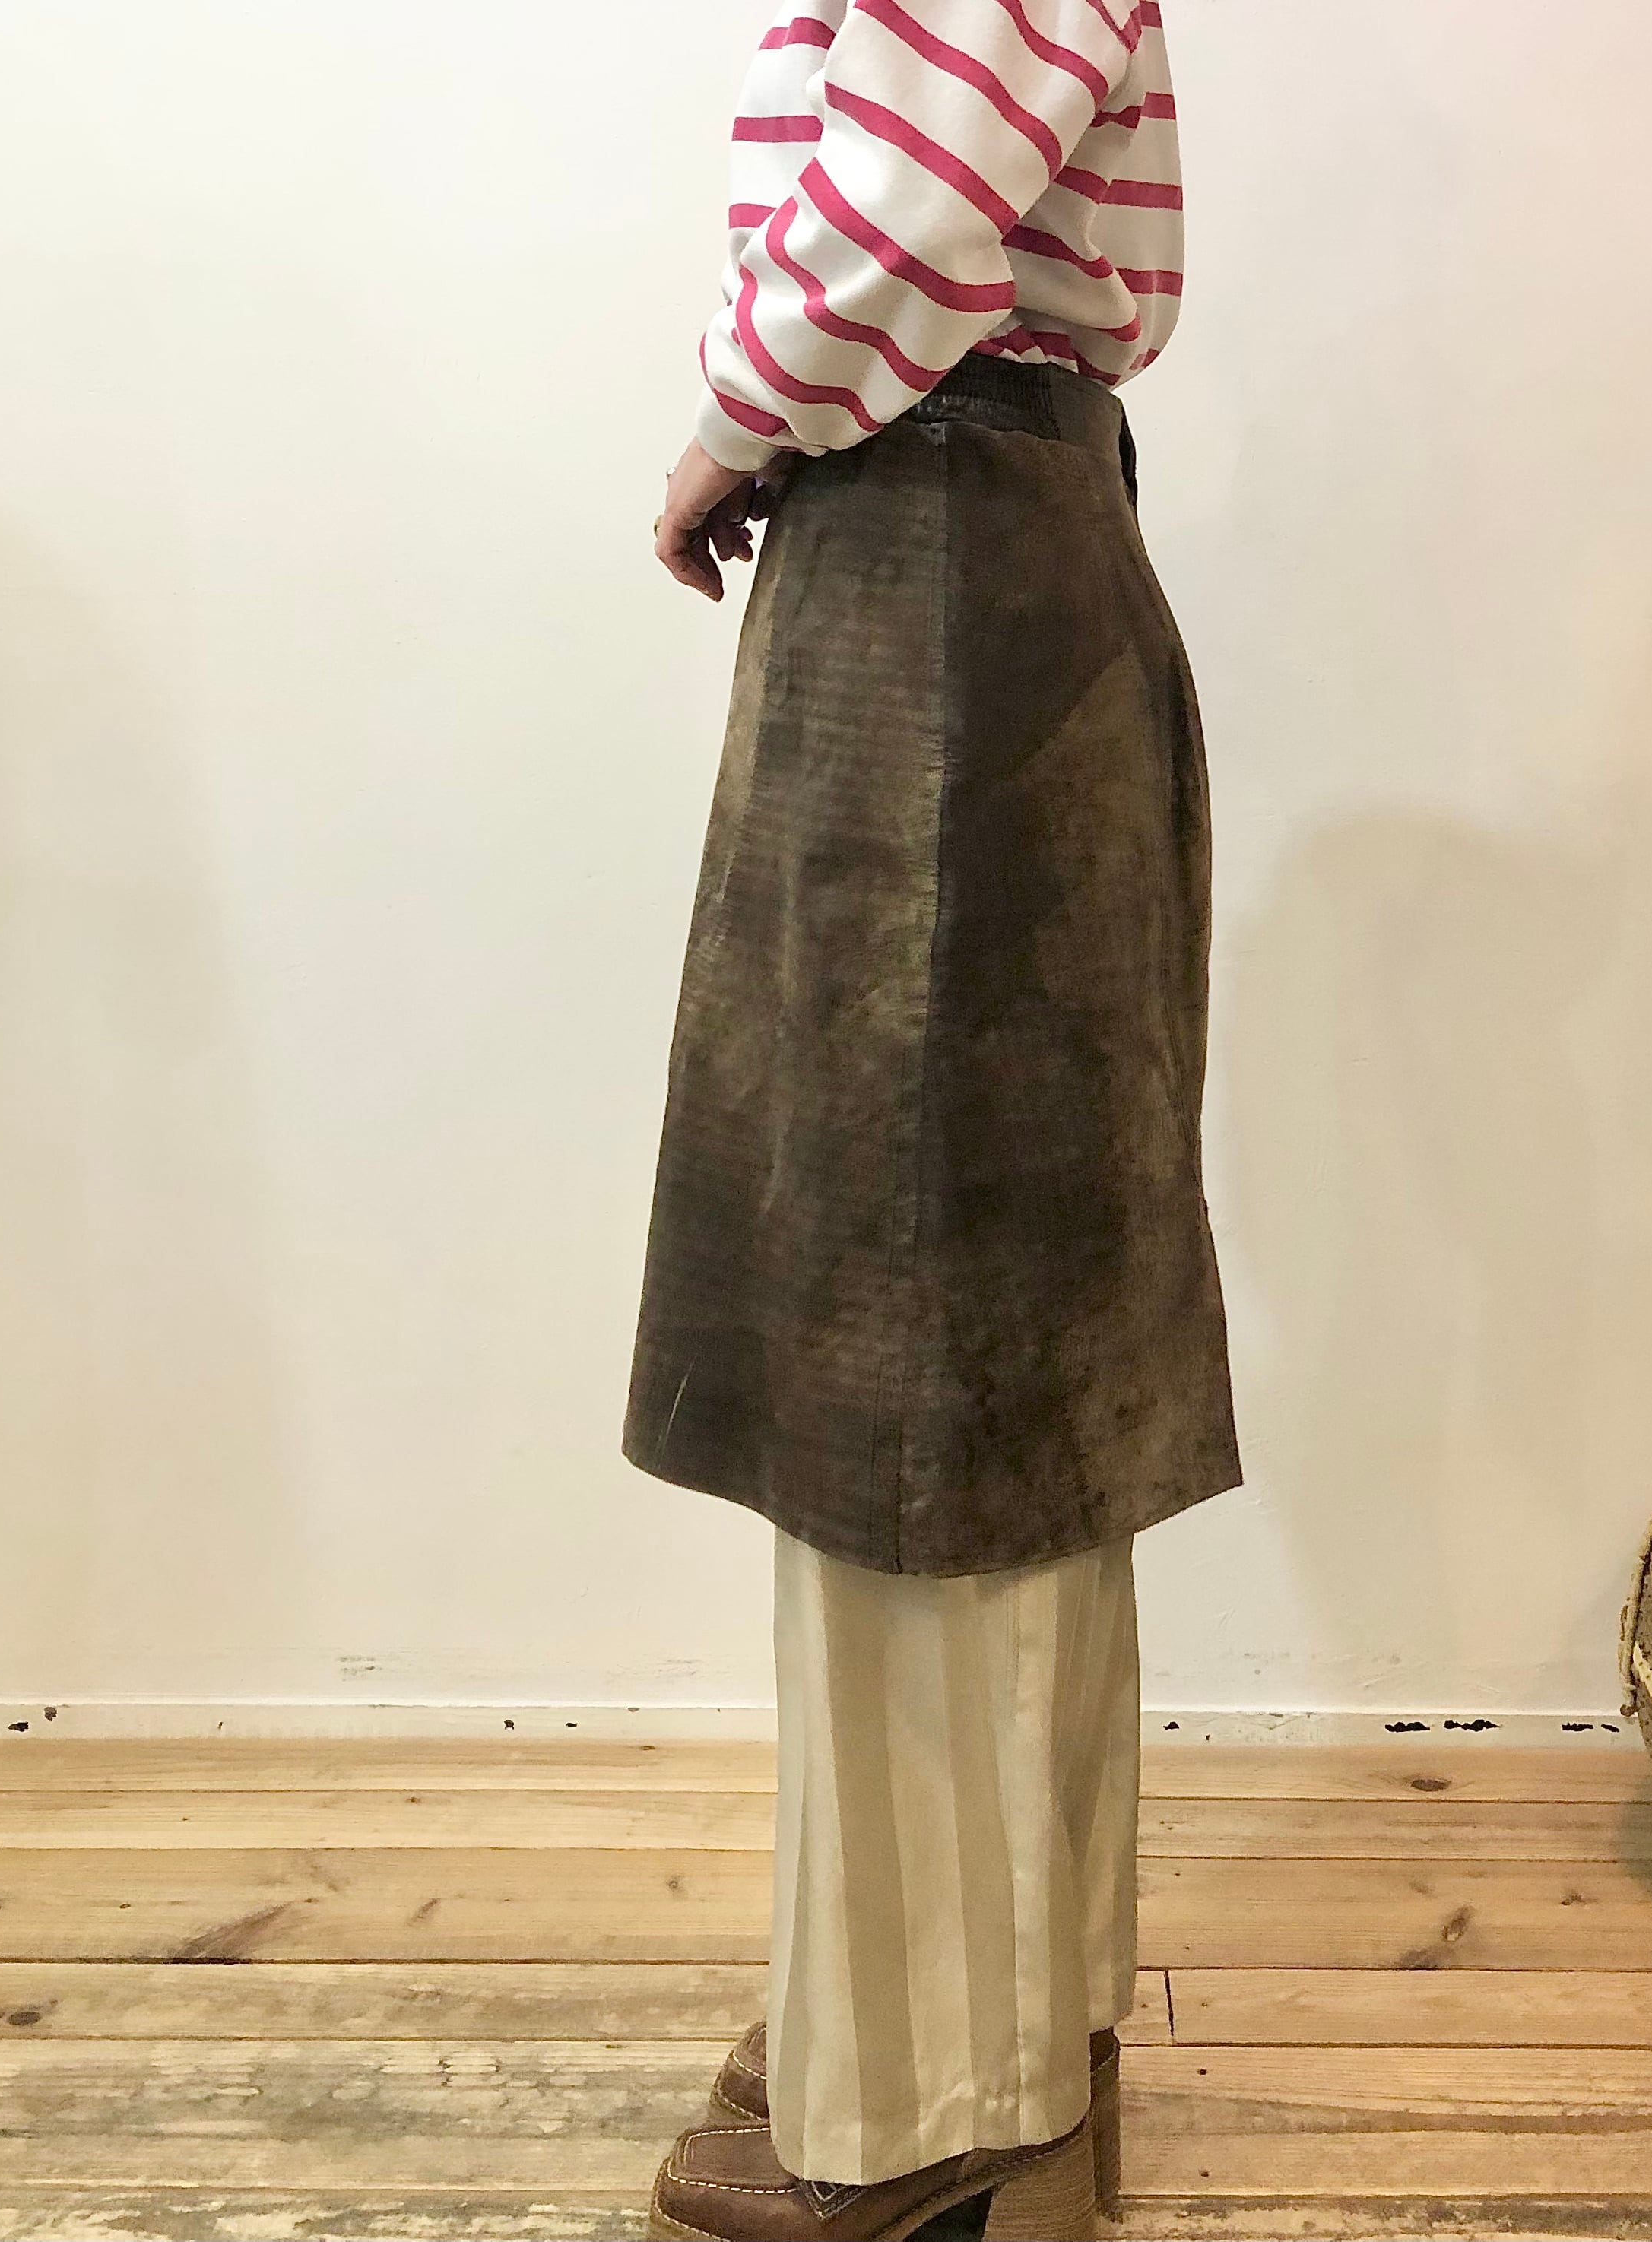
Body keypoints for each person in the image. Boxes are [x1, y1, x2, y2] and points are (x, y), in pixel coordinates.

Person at [629, 2, 1240, 2233]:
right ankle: (996, 2018)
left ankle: (929, 2093)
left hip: (934, 548)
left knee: (909, 1350)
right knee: (989, 1333)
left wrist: (721, 429)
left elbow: (900, 201)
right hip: (976, 536)